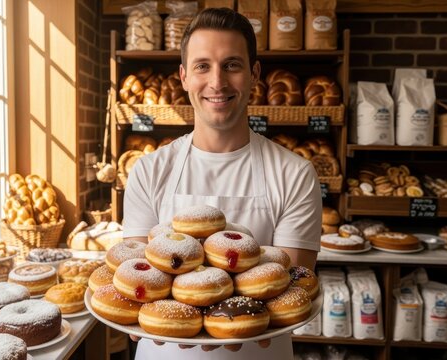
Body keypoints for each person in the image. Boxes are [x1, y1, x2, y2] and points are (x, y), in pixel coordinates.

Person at [123, 7, 322, 360]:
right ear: (184, 76)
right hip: (164, 350)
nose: (217, 82)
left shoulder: (295, 173)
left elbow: (288, 287)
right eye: (203, 66)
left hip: (261, 351)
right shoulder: (149, 171)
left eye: (232, 64)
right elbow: (138, 277)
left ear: (254, 73)